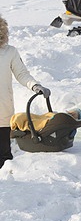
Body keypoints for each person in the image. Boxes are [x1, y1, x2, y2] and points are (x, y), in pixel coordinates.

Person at [0, 15, 49, 170]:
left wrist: (35, 86)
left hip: (2, 112)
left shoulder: (9, 52)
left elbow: (22, 74)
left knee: (4, 156)